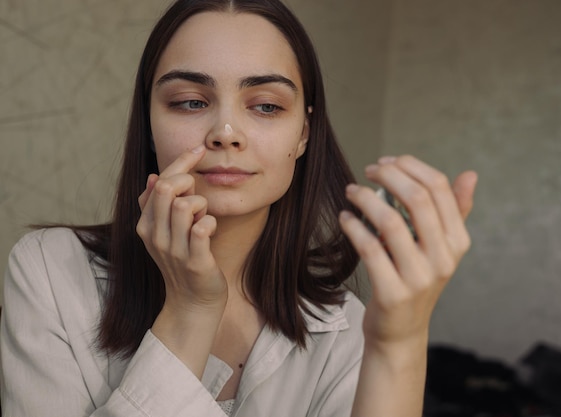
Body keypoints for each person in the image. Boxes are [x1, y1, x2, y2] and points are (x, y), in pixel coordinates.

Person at [0, 0, 478, 416]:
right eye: (189, 102)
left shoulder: (345, 328)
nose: (225, 131)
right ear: (149, 124)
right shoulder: (50, 269)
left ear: (304, 134)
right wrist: (190, 309)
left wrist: (400, 343)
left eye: (266, 106)